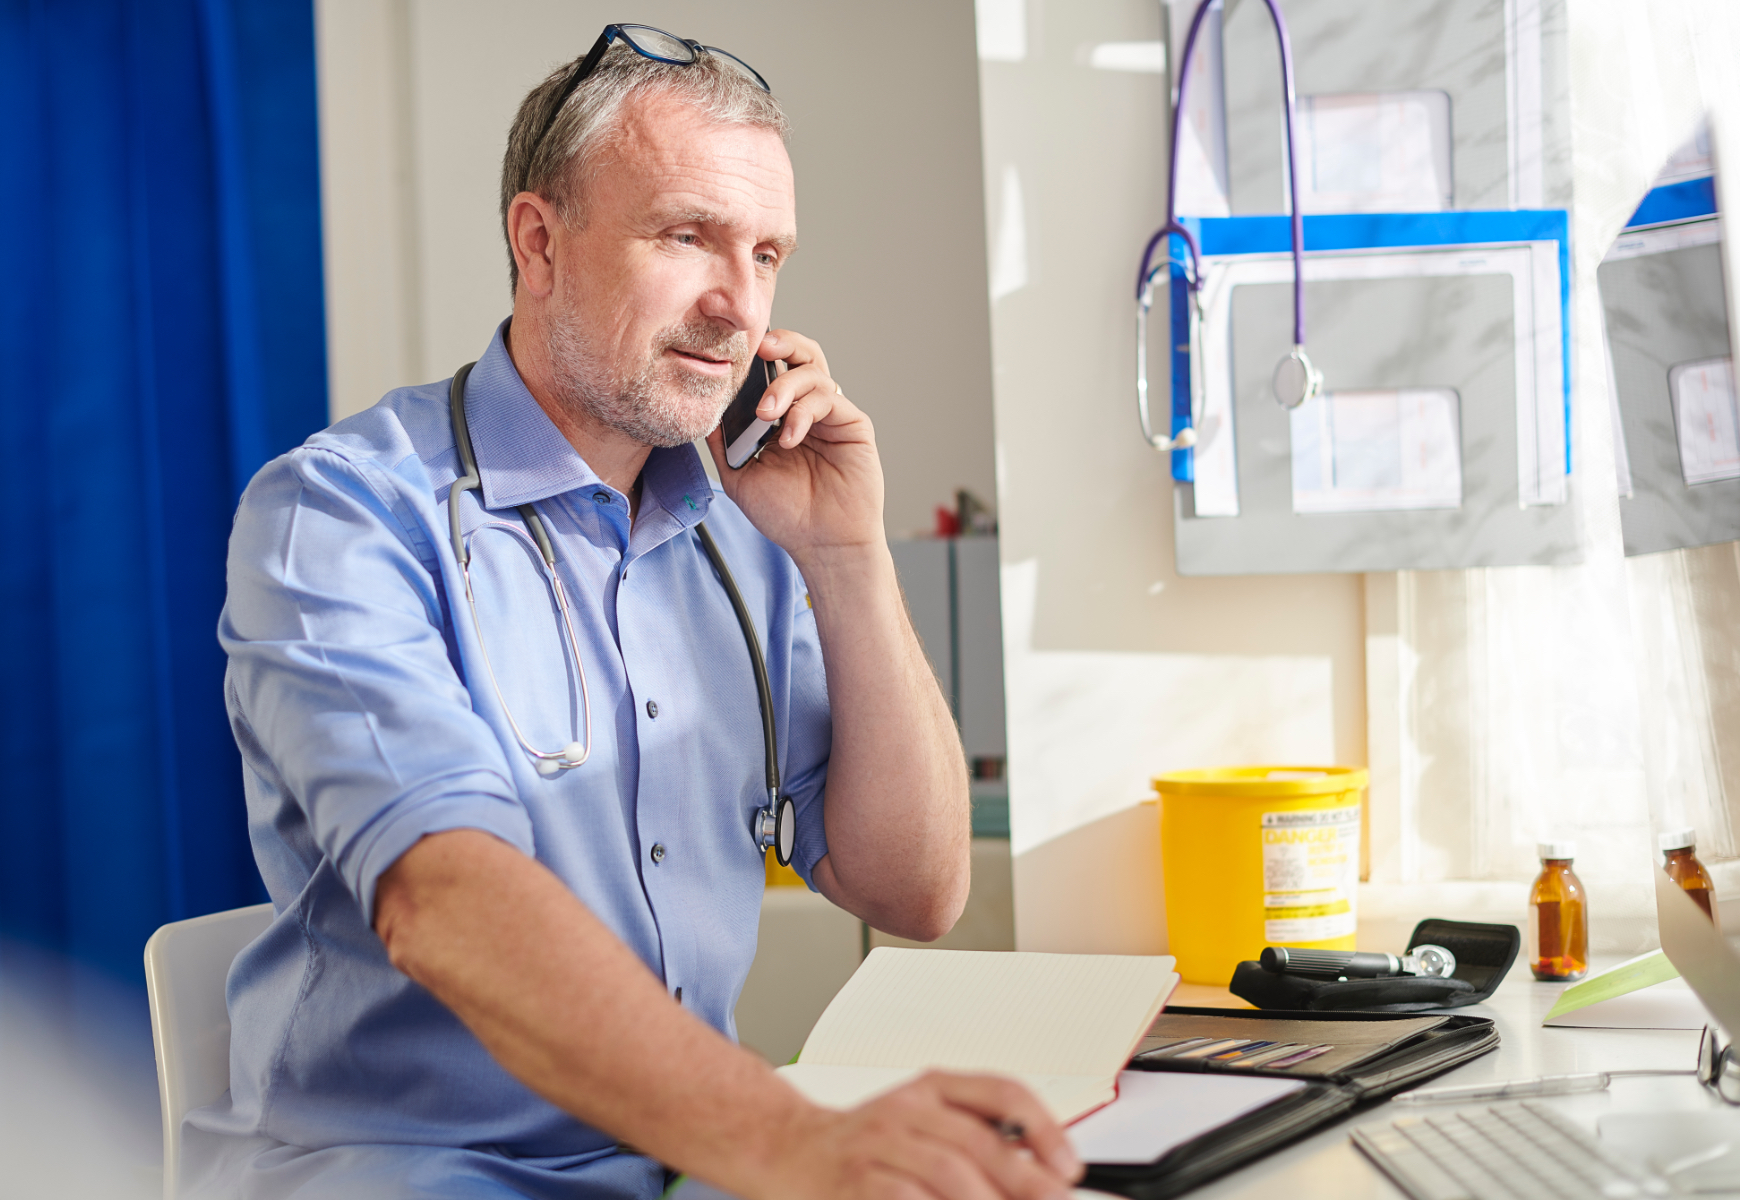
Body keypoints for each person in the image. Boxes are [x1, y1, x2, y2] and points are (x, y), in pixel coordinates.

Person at [189, 24, 1081, 1200]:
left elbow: (916, 891)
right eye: (687, 237)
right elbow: (443, 899)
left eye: (767, 255)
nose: (737, 306)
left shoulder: (742, 536)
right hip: (416, 1171)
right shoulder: (345, 515)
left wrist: (848, 554)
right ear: (539, 240)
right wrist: (781, 1135)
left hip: (685, 1162)